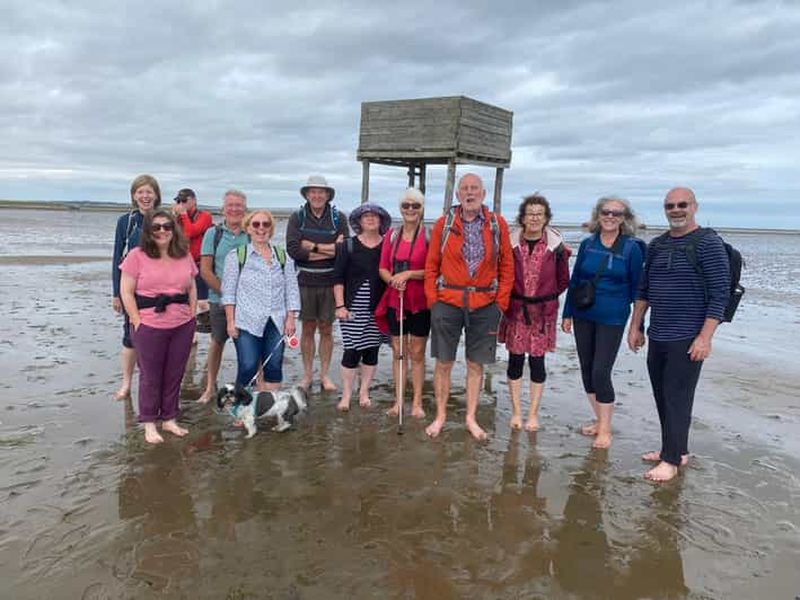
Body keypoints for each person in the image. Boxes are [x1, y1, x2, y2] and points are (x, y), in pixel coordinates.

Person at [628, 187, 730, 482]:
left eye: (682, 204)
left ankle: (671, 462)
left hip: (687, 337)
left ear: (694, 206)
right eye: (670, 205)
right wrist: (636, 326)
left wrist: (705, 337)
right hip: (658, 334)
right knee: (662, 396)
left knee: (678, 397)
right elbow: (644, 290)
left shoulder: (708, 243)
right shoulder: (658, 245)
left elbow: (720, 295)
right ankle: (674, 450)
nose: (676, 210)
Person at [423, 173, 514, 440]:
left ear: (483, 194)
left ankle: (470, 418)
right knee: (443, 362)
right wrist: (433, 300)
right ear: (457, 195)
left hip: (485, 303)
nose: (470, 193)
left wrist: (501, 303)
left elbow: (507, 266)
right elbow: (431, 266)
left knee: (476, 364)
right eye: (464, 189)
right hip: (447, 302)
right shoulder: (443, 224)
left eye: (474, 189)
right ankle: (440, 415)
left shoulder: (498, 224)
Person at [562, 197, 644, 449]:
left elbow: (639, 291)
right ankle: (599, 420)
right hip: (583, 314)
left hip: (613, 318)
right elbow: (575, 280)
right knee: (587, 370)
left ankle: (605, 430)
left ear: (625, 218)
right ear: (598, 215)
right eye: (605, 212)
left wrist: (637, 327)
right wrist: (567, 313)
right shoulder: (588, 244)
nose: (610, 216)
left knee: (601, 371)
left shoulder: (631, 248)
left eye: (616, 214)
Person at [119, 209, 197, 444]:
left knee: (175, 373)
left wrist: (192, 314)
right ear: (148, 232)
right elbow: (126, 291)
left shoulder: (183, 254)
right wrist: (136, 319)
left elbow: (192, 287)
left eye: (167, 226)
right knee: (151, 376)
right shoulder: (136, 255)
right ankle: (150, 422)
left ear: (174, 230)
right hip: (149, 324)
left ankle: (170, 418)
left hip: (182, 323)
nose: (162, 231)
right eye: (156, 227)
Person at [500, 194, 570, 432]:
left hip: (542, 313)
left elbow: (563, 280)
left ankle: (533, 414)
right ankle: (517, 412)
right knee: (515, 361)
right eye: (530, 213)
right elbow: (502, 274)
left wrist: (544, 297)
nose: (534, 218)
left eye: (539, 214)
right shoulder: (510, 243)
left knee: (538, 362)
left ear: (546, 218)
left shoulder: (556, 245)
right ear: (522, 217)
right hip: (516, 310)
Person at [222, 210, 300, 390]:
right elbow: (228, 293)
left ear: (271, 229)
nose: (261, 228)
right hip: (246, 320)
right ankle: (243, 414)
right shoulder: (236, 256)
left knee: (273, 366)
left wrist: (290, 318)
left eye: (266, 224)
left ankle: (269, 410)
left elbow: (292, 290)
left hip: (276, 321)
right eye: (256, 224)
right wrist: (230, 322)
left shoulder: (283, 256)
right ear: (248, 228)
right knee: (248, 366)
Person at [286, 175, 349, 392]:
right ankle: (306, 375)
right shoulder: (297, 218)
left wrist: (312, 247)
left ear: (328, 194)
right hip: (304, 282)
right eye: (312, 191)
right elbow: (294, 252)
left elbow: (343, 252)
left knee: (326, 329)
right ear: (306, 194)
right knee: (307, 329)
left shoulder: (339, 218)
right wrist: (328, 249)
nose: (317, 195)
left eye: (321, 192)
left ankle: (324, 375)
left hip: (330, 282)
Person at [378, 188, 430, 419]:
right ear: (400, 209)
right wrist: (392, 280)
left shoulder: (429, 235)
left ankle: (417, 402)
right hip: (395, 301)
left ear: (421, 209)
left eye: (415, 206)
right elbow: (382, 268)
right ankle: (398, 401)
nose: (410, 210)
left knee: (417, 352)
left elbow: (433, 270)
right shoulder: (391, 235)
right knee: (399, 352)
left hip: (420, 302)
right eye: (406, 206)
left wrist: (408, 274)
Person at [333, 203, 391, 411]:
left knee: (371, 350)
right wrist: (340, 305)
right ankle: (347, 394)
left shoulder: (387, 246)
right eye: (365, 216)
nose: (370, 219)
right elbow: (338, 278)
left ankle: (364, 391)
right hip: (351, 307)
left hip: (378, 308)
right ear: (358, 222)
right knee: (351, 350)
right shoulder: (347, 245)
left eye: (375, 216)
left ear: (381, 221)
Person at [111, 174, 162, 400]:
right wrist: (116, 294)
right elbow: (116, 258)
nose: (145, 196)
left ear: (156, 195)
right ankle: (126, 384)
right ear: (134, 196)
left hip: (160, 292)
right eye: (140, 192)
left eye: (149, 191)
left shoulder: (165, 219)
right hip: (131, 290)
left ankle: (154, 385)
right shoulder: (126, 222)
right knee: (130, 338)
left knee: (158, 339)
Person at [197, 190, 249, 404]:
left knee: (247, 346)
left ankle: (247, 388)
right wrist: (227, 295)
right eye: (230, 205)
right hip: (218, 300)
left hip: (248, 302)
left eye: (239, 205)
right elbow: (206, 270)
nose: (235, 209)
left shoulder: (252, 232)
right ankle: (210, 387)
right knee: (217, 342)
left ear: (245, 209)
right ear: (223, 209)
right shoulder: (213, 234)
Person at [173, 188, 214, 330]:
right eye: (178, 201)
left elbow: (190, 232)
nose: (181, 204)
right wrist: (175, 217)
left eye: (184, 201)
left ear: (194, 201)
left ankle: (211, 333)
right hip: (182, 265)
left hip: (200, 265)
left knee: (203, 303)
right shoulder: (178, 218)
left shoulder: (205, 216)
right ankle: (188, 332)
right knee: (183, 303)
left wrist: (183, 215)